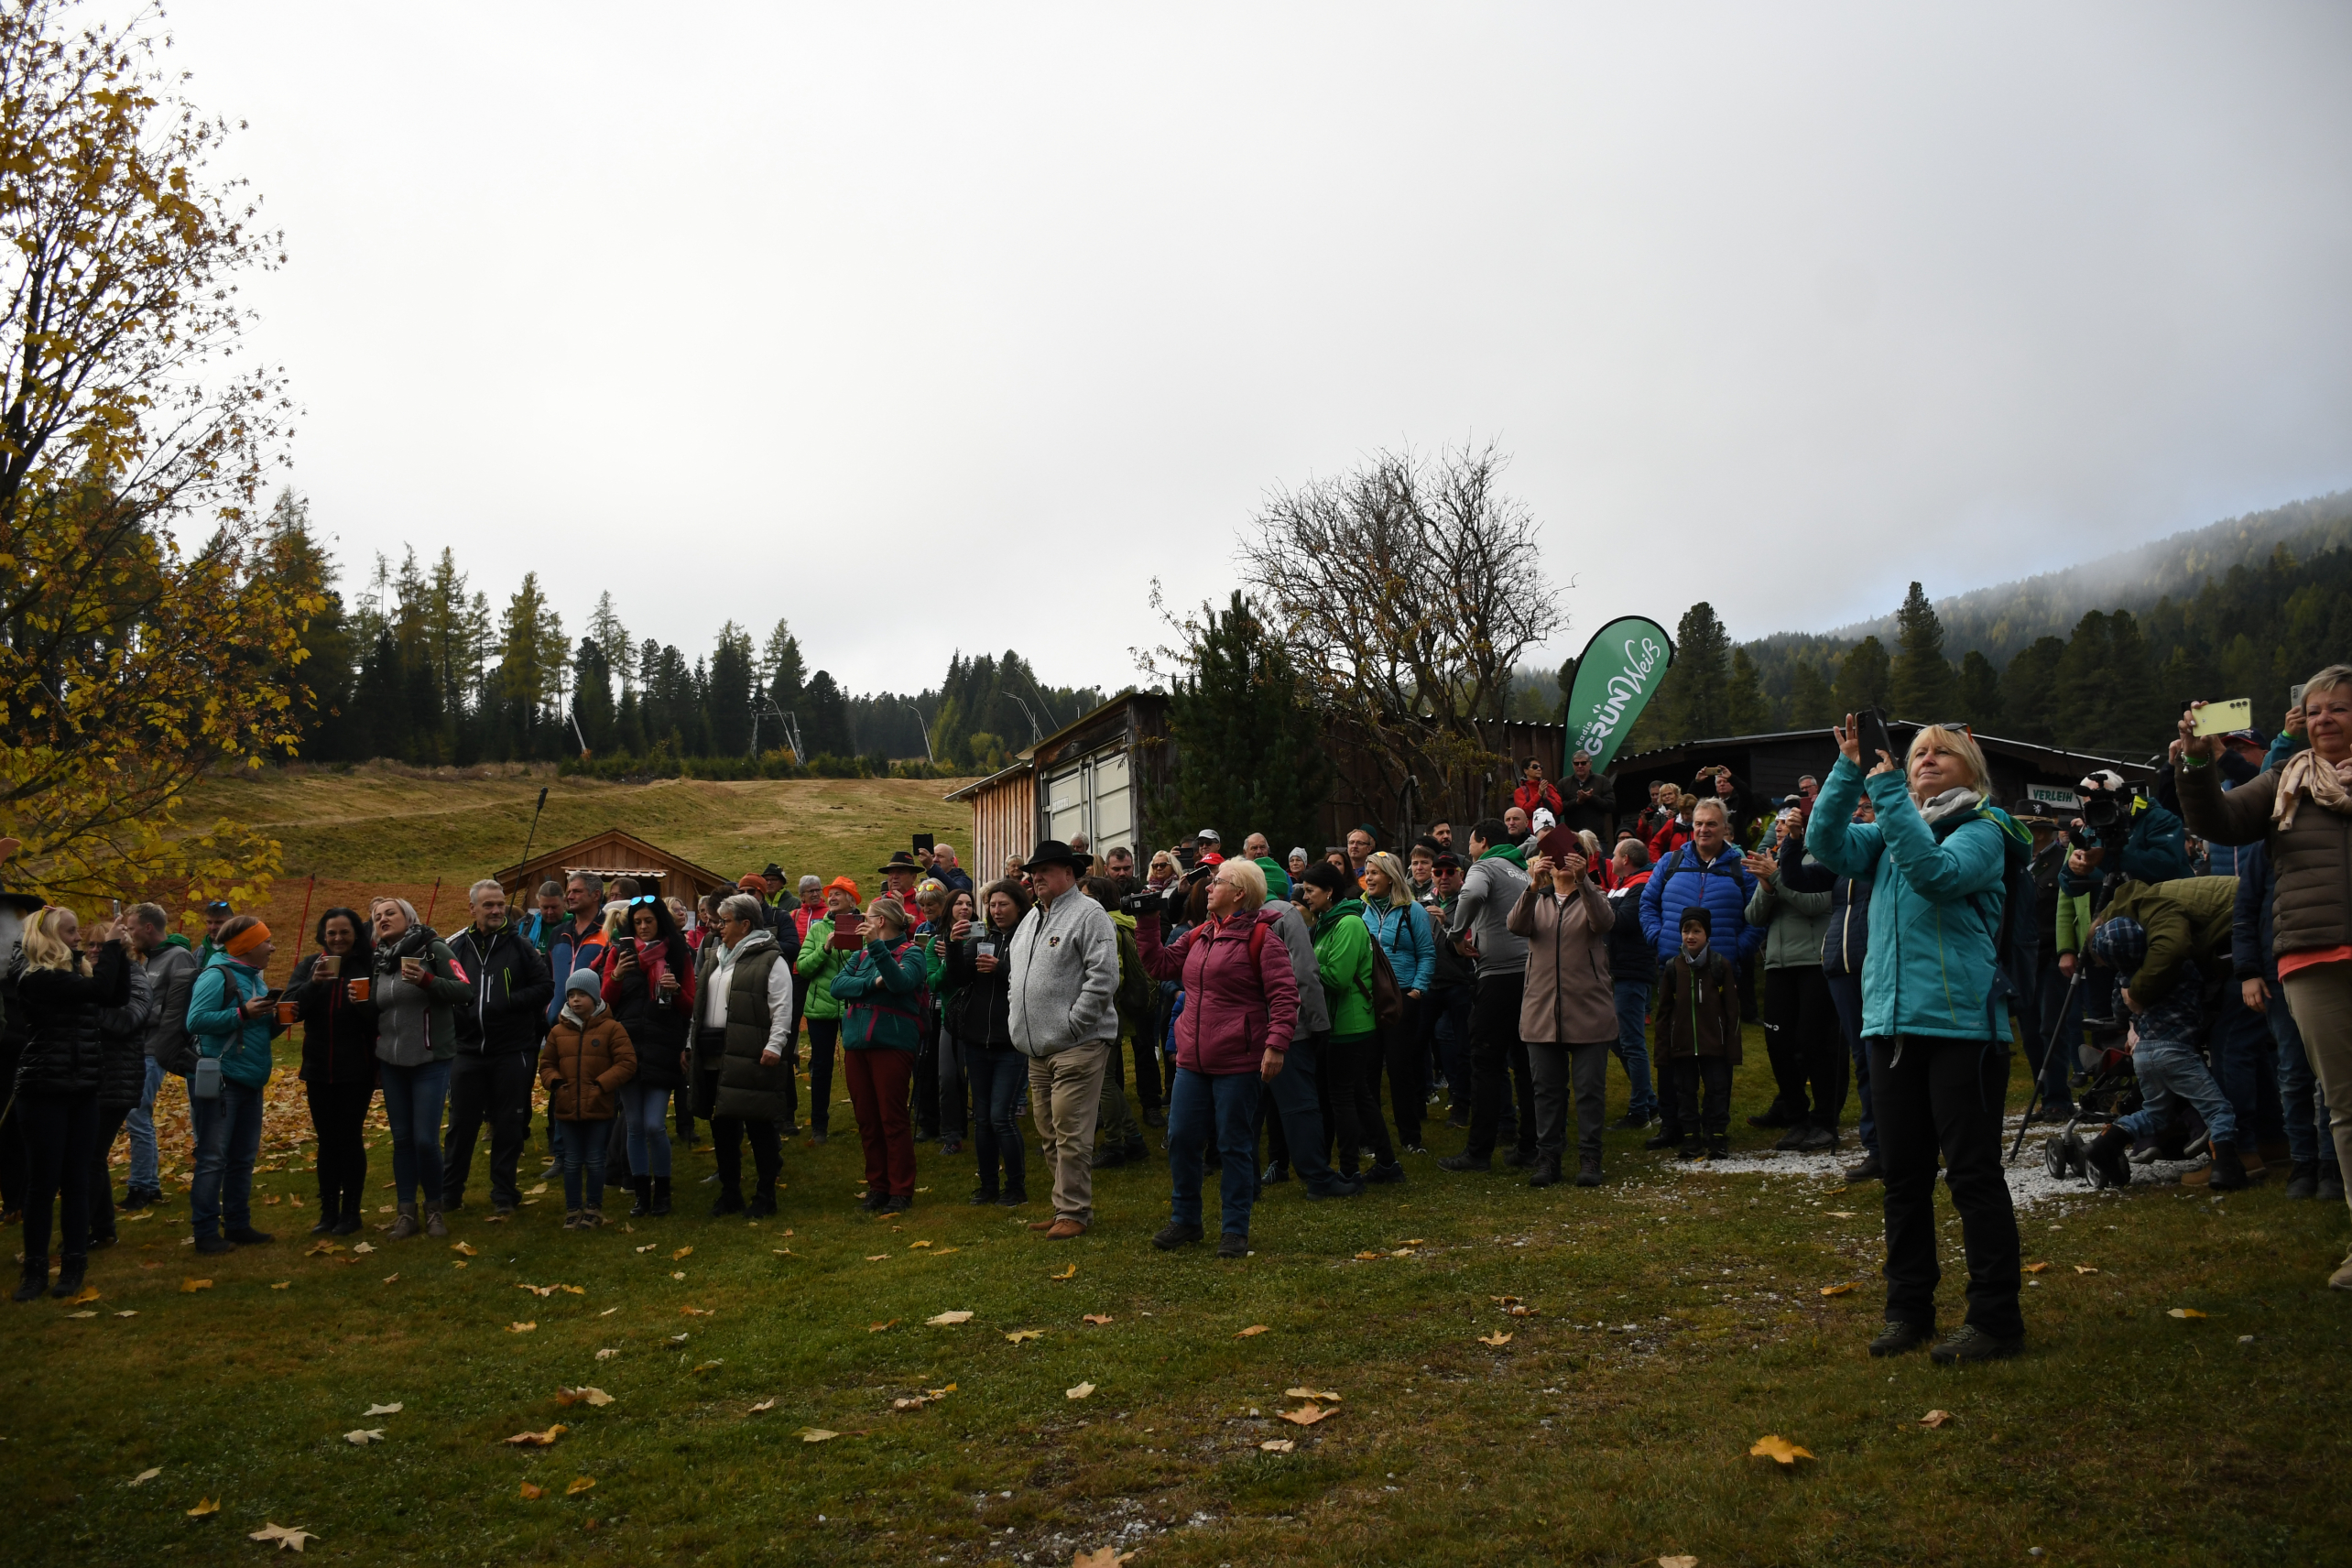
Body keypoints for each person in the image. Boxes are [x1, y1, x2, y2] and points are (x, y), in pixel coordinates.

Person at [1806, 717, 2026, 1364]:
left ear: (1972, 769)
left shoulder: (1985, 830)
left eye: (1941, 753)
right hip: (1891, 1027)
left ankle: (1996, 1320)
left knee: (1972, 1176)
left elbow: (1933, 873)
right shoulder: (1886, 832)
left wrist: (1888, 795)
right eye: (1918, 752)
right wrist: (1849, 770)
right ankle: (1909, 1309)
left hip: (1963, 1030)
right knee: (1903, 1179)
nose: (1926, 759)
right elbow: (1823, 841)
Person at [1135, 855, 1301, 1256]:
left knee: (1234, 1145)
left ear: (1239, 893)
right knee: (1181, 1139)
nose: (1208, 888)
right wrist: (1147, 921)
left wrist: (1276, 1045)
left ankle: (1234, 1229)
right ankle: (1186, 1221)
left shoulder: (1263, 940)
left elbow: (1285, 997)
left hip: (1237, 1062)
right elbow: (1159, 965)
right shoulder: (1200, 934)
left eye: (1217, 882)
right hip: (1192, 1061)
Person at [2071, 913, 2245, 1192]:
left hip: (2143, 1054)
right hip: (2176, 1051)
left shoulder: (2123, 980)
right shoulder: (2177, 967)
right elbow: (2204, 989)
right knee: (2218, 1109)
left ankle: (2105, 1145)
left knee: (2156, 1114)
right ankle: (2226, 1168)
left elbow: (2120, 1012)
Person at [9, 908, 131, 1299]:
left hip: (82, 1090)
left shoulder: (77, 974)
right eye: (70, 931)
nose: (79, 938)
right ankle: (35, 1270)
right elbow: (99, 992)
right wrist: (111, 946)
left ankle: (74, 1264)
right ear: (48, 936)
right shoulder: (36, 977)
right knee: (43, 1184)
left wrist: (120, 953)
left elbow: (116, 995)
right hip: (43, 1090)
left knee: (77, 1181)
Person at [1007, 839, 1121, 1240]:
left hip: (1078, 1043)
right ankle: (1066, 1208)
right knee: (1049, 1130)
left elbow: (1104, 977)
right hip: (1037, 1047)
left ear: (1069, 873)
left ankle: (1073, 1211)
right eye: (1034, 872)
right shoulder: (1031, 919)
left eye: (1047, 870)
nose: (1037, 877)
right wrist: (1016, 1016)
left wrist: (1074, 1025)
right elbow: (1015, 976)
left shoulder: (1089, 914)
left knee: (1070, 1128)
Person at [1508, 841, 1617, 1187]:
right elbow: (1515, 925)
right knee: (1546, 1092)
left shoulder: (1593, 896)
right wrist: (1532, 885)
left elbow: (1604, 922)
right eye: (1555, 857)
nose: (1564, 862)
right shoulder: (1537, 900)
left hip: (1589, 1011)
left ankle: (1590, 1158)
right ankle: (1548, 1159)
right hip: (1541, 1011)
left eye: (1573, 855)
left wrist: (1584, 882)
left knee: (1589, 1090)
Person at [442, 879, 553, 1215]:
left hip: (511, 1049)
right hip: (467, 1050)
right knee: (461, 1125)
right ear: (472, 908)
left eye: (500, 905)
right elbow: (441, 989)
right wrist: (458, 1013)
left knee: (508, 1124)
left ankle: (504, 1193)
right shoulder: (455, 947)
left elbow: (545, 986)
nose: (495, 910)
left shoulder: (520, 946)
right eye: (488, 905)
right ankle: (450, 1194)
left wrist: (507, 1002)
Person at [368, 897, 471, 1239]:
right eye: (377, 916)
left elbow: (464, 990)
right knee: (402, 1140)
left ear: (408, 917)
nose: (383, 919)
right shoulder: (379, 959)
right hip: (392, 1062)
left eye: (390, 913)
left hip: (430, 1058)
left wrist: (428, 981)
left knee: (426, 1140)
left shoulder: (432, 948)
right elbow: (378, 1008)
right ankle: (405, 1213)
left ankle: (435, 1210)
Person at [1439, 819, 1537, 1174]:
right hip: (1529, 974)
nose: (1468, 850)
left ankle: (1478, 1152)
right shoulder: (1520, 871)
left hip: (1496, 978)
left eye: (1470, 843)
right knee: (1525, 1063)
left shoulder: (1485, 867)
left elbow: (1472, 895)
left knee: (1486, 1063)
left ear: (1482, 842)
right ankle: (1530, 1146)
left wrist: (1455, 934)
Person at [1295, 860, 1402, 1184]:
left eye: (1310, 891)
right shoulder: (1326, 923)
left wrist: (1301, 967)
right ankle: (1387, 1164)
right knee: (1358, 1095)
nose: (1305, 897)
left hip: (1351, 1025)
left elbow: (1338, 978)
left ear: (1329, 891)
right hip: (1337, 1023)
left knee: (1343, 1097)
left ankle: (1349, 1170)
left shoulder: (1349, 924)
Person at [692, 892, 796, 1217]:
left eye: (724, 921)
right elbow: (700, 1003)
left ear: (745, 924)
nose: (718, 927)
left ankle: (765, 1196)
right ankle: (730, 1193)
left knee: (759, 1126)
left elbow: (782, 1007)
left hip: (751, 1053)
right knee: (722, 1127)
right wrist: (689, 1043)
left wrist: (775, 1045)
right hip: (714, 1053)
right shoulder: (715, 956)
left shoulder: (771, 959)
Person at [1745, 808, 1842, 1150]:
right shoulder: (1772, 861)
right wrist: (1767, 886)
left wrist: (1777, 877)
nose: (1780, 831)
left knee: (1815, 1043)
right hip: (1778, 964)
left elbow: (1816, 903)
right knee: (1778, 1044)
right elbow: (1753, 916)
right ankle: (1797, 1117)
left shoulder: (1822, 858)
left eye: (1786, 826)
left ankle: (1825, 1121)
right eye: (1778, 827)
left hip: (1814, 961)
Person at [829, 897, 928, 1213]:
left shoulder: (912, 952)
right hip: (857, 1044)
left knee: (892, 1118)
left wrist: (876, 948)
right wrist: (873, 983)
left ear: (880, 921)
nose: (861, 920)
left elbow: (900, 983)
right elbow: (837, 986)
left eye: (867, 916)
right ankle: (878, 1186)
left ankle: (901, 1189)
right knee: (867, 1119)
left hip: (891, 1043)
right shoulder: (859, 955)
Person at [603, 895, 695, 1217]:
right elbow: (605, 1002)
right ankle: (641, 1195)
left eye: (649, 921)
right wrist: (616, 975)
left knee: (655, 1125)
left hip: (662, 1046)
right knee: (635, 1126)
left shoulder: (678, 953)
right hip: (626, 1048)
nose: (643, 927)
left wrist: (675, 990)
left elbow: (690, 1006)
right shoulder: (619, 953)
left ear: (660, 922)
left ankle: (664, 1192)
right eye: (637, 922)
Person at [289, 908, 378, 1236]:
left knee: (349, 1137)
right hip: (317, 1067)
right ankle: (328, 1212)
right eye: (331, 933)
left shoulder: (369, 965)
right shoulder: (310, 965)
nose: (338, 938)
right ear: (323, 936)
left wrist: (364, 1005)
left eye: (345, 932)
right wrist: (313, 984)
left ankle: (351, 1213)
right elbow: (290, 1010)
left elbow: (381, 1017)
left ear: (356, 934)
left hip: (356, 1068)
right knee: (326, 1140)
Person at [944, 878, 1031, 1205]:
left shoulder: (1028, 939)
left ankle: (1016, 1187)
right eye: (992, 905)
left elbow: (1032, 981)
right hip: (977, 1041)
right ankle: (988, 1186)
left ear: (1019, 906)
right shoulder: (981, 938)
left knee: (1001, 1117)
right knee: (982, 1120)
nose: (996, 910)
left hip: (1011, 1043)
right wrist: (954, 947)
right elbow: (958, 978)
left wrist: (1001, 968)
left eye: (1003, 904)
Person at [1816, 794, 1884, 1183]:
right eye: (1856, 807)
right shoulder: (1845, 861)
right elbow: (1801, 879)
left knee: (1882, 1056)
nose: (1858, 813)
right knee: (1862, 1057)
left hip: (1875, 963)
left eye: (1867, 807)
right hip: (1840, 965)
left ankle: (1902, 1142)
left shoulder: (1887, 854)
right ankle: (1876, 1147)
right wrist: (1792, 845)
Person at [539, 968, 637, 1228]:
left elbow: (627, 1062)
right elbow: (547, 1064)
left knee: (595, 1159)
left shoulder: (612, 1028)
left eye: (581, 994)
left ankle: (594, 1208)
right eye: (571, 995)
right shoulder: (558, 1032)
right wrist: (556, 1083)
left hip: (598, 1106)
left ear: (594, 997)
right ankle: (573, 1209)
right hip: (567, 1106)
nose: (575, 1000)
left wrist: (602, 1085)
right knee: (571, 1161)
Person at [84, 909, 157, 1247]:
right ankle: (102, 1229)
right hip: (91, 1077)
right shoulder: (85, 978)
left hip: (118, 1079)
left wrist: (84, 1008)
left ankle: (88, 1231)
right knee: (91, 1156)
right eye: (90, 945)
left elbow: (128, 1020)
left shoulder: (135, 977)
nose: (94, 951)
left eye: (102, 945)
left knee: (91, 1156)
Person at [122, 902, 197, 1212]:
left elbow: (180, 1006)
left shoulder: (177, 957)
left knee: (137, 1112)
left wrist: (139, 1014)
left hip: (156, 1048)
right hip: (138, 1046)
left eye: (131, 928)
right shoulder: (147, 959)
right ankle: (147, 1184)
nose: (129, 934)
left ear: (148, 927)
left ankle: (142, 1186)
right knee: (135, 1113)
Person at [1358, 850, 1432, 1154]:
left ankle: (1410, 1138)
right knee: (1368, 1069)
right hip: (1368, 998)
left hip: (1402, 996)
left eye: (1375, 872)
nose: (1369, 878)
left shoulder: (1413, 911)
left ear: (1390, 877)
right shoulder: (1361, 911)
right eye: (1367, 872)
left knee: (1401, 1068)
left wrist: (1417, 990)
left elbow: (1426, 953)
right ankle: (1370, 1139)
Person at [1654, 906, 1741, 1161]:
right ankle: (1691, 1137)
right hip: (1682, 1045)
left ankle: (1716, 1136)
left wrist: (1732, 1048)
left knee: (1717, 1090)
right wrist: (1663, 1050)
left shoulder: (1720, 965)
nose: (1690, 936)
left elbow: (1732, 1011)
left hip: (1714, 1045)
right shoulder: (1672, 968)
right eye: (1686, 931)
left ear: (1707, 934)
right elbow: (1663, 1013)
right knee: (1684, 1092)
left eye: (1696, 931)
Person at [793, 877, 862, 1144]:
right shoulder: (818, 929)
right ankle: (819, 1125)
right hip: (820, 1008)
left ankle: (865, 1118)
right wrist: (826, 948)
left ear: (851, 901)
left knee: (859, 1066)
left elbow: (867, 964)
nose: (831, 898)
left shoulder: (863, 927)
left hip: (854, 1006)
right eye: (830, 894)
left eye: (837, 894)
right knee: (821, 1068)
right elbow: (803, 968)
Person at [1603, 841, 1660, 1132]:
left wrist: (1603, 902)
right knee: (1617, 1039)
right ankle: (1650, 1104)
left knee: (1632, 1043)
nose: (1610, 859)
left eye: (1614, 854)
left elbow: (1623, 920)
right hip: (1622, 970)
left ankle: (1640, 1112)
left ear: (1625, 859)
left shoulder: (1642, 884)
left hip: (1633, 971)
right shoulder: (1622, 884)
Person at [925, 886, 978, 1156]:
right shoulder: (936, 943)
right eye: (959, 903)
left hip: (981, 1017)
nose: (965, 908)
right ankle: (952, 1135)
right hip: (951, 1018)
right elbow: (933, 983)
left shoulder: (982, 937)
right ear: (949, 909)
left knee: (979, 1079)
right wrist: (948, 960)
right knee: (947, 1077)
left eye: (969, 904)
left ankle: (988, 1130)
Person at [1425, 853, 1476, 1127]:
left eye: (1450, 872)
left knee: (1462, 1045)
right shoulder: (1425, 902)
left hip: (1459, 982)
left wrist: (1447, 923)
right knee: (1425, 1041)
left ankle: (1463, 1103)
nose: (1444, 877)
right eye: (1438, 872)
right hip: (1430, 982)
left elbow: (1467, 947)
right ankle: (1426, 1096)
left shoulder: (1469, 901)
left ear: (1460, 875)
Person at [1560, 752, 1616, 841]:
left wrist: (1591, 798)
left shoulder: (1602, 781)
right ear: (1572, 765)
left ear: (1590, 764)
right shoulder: (1563, 783)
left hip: (1597, 838)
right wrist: (1576, 802)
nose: (1580, 766)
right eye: (1576, 763)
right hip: (1573, 838)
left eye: (1583, 763)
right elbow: (1558, 808)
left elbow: (1611, 805)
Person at [1513, 757, 1565, 822]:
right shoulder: (1520, 791)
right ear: (1526, 771)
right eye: (1535, 767)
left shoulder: (1548, 788)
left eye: (1541, 767)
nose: (1539, 769)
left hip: (1549, 826)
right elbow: (1525, 812)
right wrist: (1539, 795)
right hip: (1530, 827)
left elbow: (1559, 809)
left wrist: (1546, 799)